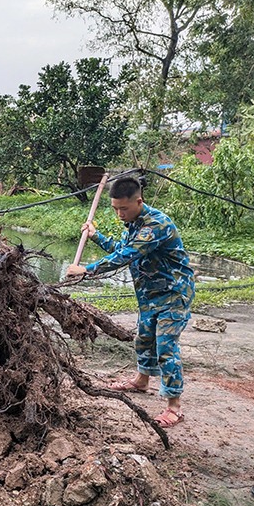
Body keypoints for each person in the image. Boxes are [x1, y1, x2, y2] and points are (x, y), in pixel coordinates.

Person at [66, 177, 195, 428]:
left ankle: (174, 407)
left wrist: (86, 270)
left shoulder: (156, 225)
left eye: (123, 209)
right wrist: (96, 236)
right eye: (114, 208)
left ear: (139, 201)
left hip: (173, 294)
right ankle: (141, 380)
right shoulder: (135, 224)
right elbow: (122, 247)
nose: (119, 214)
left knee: (166, 346)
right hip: (150, 294)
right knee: (144, 337)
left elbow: (127, 255)